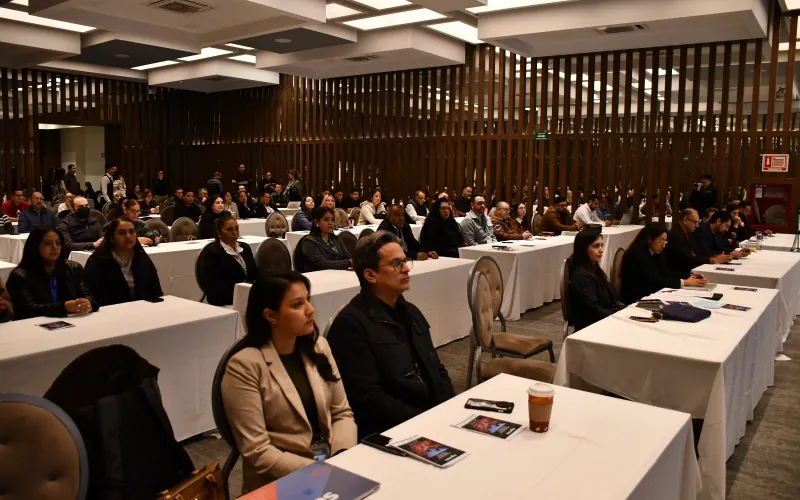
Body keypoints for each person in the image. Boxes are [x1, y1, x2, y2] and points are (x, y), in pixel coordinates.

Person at [222, 273, 357, 493]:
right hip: (280, 481)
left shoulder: (318, 347)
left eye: (308, 300)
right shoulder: (244, 366)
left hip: (332, 463)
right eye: (297, 304)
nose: (310, 310)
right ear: (270, 316)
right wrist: (321, 472)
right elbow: (257, 451)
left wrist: (342, 457)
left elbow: (341, 413)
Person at [327, 231, 455, 439]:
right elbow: (367, 400)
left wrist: (447, 408)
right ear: (370, 275)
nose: (406, 268)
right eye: (396, 264)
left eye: (405, 261)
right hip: (393, 433)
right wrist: (425, 421)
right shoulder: (350, 326)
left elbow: (437, 369)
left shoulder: (411, 312)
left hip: (430, 420)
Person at [5, 226, 98, 320]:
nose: (55, 247)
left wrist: (87, 303)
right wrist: (63, 307)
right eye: (47, 243)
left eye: (58, 243)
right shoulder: (20, 276)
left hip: (72, 321)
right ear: (35, 246)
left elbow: (89, 296)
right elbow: (27, 310)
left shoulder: (73, 268)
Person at [84, 218, 163, 306]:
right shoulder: (98, 261)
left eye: (132, 232)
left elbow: (156, 290)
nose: (128, 236)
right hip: (111, 309)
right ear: (111, 238)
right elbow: (94, 296)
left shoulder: (142, 257)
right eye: (122, 233)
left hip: (144, 308)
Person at [621, 223, 707, 304]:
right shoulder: (636, 255)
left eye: (665, 241)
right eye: (661, 241)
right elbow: (653, 282)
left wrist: (689, 275)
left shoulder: (654, 252)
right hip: (638, 299)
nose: (663, 245)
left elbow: (665, 273)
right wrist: (685, 282)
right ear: (649, 239)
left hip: (652, 293)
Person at [568, 229, 625, 331]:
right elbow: (593, 311)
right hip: (593, 328)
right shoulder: (582, 276)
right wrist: (619, 315)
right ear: (583, 249)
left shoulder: (593, 268)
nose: (601, 250)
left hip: (604, 320)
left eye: (602, 245)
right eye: (596, 246)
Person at [202, 215, 258, 306]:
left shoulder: (245, 247)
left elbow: (255, 274)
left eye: (237, 229)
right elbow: (215, 288)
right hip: (226, 301)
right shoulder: (212, 253)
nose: (235, 233)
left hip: (249, 297)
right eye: (229, 230)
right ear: (219, 233)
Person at [665, 209, 732, 276]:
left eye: (698, 222)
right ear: (685, 220)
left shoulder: (688, 233)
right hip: (679, 273)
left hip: (689, 269)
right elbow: (688, 258)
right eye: (695, 222)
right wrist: (713, 260)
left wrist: (715, 258)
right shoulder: (675, 235)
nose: (697, 225)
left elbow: (698, 253)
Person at [297, 207, 352, 272]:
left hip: (338, 273)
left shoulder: (336, 239)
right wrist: (348, 263)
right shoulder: (309, 241)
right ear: (316, 222)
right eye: (326, 220)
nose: (330, 223)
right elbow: (323, 264)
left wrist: (353, 261)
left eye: (332, 220)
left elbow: (348, 256)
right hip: (318, 275)